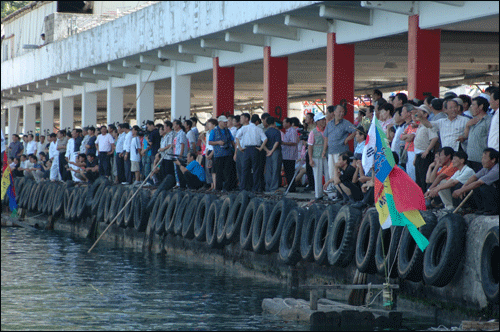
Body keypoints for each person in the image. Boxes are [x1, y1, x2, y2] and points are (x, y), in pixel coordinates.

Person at [452, 148, 499, 215]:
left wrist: (461, 191)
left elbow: (478, 182)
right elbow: (474, 177)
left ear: (493, 160)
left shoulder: (496, 170)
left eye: (485, 158)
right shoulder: (486, 168)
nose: (482, 161)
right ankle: (481, 208)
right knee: (467, 186)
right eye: (482, 158)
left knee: (482, 187)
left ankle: (492, 210)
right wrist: (463, 187)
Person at [322, 104, 356, 189]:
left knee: (340, 173)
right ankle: (333, 193)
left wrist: (347, 139)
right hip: (330, 152)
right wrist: (324, 151)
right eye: (339, 111)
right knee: (331, 172)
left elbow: (355, 131)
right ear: (334, 112)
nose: (341, 113)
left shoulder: (345, 123)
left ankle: (340, 193)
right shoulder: (329, 124)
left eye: (343, 112)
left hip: (341, 153)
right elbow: (326, 137)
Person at [457, 96, 492, 172]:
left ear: (481, 106)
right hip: (470, 158)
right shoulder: (472, 121)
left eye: (473, 105)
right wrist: (467, 126)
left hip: (481, 159)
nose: (471, 107)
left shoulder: (489, 121)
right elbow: (466, 136)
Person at [236, 113, 268, 192]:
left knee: (245, 169)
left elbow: (237, 137)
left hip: (246, 149)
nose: (241, 119)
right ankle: (255, 188)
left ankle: (243, 187)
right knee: (256, 169)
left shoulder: (244, 128)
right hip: (255, 149)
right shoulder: (258, 129)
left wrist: (240, 147)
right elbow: (265, 139)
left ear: (248, 119)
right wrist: (260, 148)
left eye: (242, 117)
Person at [413, 105, 439, 193]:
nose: (417, 113)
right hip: (419, 155)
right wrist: (415, 157)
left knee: (424, 178)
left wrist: (427, 150)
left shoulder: (428, 125)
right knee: (419, 179)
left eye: (420, 111)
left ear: (425, 114)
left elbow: (435, 138)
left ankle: (425, 198)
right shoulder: (420, 126)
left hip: (425, 155)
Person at [209, 115, 236, 191]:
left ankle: (227, 188)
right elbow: (210, 142)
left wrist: (235, 151)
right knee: (219, 172)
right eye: (224, 122)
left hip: (228, 154)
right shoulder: (213, 131)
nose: (225, 123)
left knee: (228, 171)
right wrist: (218, 142)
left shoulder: (227, 130)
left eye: (226, 122)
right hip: (218, 155)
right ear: (219, 122)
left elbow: (232, 140)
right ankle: (218, 188)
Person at [307, 113, 329, 203]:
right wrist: (310, 159)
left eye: (324, 119)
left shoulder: (327, 130)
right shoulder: (313, 132)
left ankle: (330, 193)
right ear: (317, 122)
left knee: (328, 175)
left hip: (326, 156)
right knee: (317, 176)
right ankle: (318, 195)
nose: (324, 121)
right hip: (316, 156)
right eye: (322, 120)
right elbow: (310, 146)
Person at [263, 116, 282, 193]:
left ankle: (267, 187)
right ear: (274, 123)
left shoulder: (266, 132)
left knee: (268, 170)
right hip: (275, 152)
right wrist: (272, 151)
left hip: (267, 152)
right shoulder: (277, 131)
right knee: (275, 170)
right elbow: (277, 142)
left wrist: (268, 151)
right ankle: (273, 188)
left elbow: (263, 143)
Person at [282, 117, 299, 193]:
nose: (283, 124)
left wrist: (283, 143)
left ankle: (292, 187)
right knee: (287, 172)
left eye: (284, 122)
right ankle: (289, 186)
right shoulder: (287, 131)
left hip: (290, 155)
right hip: (286, 155)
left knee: (290, 172)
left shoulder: (292, 131)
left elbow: (294, 142)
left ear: (288, 123)